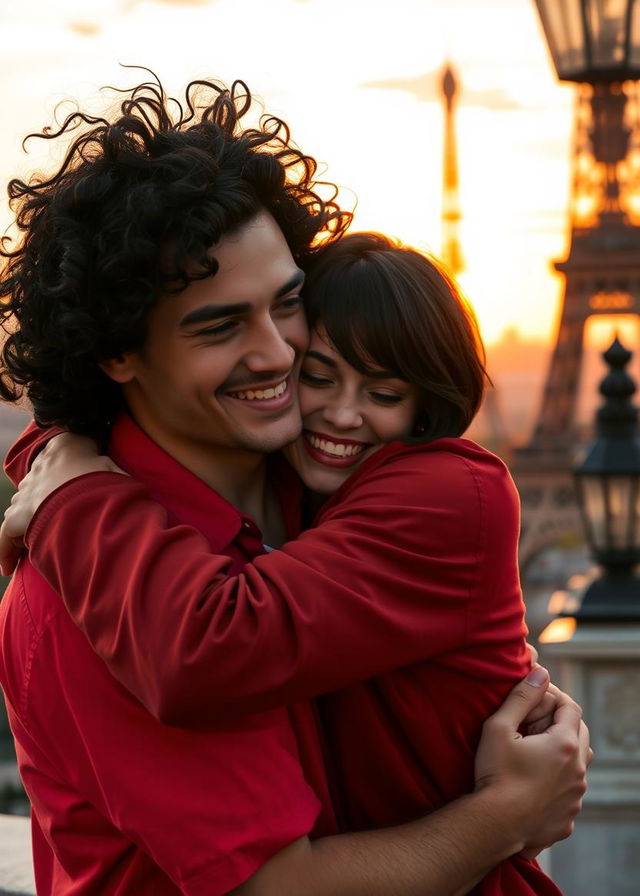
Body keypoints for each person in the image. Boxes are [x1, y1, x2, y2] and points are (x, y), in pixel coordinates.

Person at [0, 74, 588, 895]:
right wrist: (507, 816)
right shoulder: (89, 590)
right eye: (220, 325)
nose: (277, 353)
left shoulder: (323, 487)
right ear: (116, 354)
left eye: (287, 306)